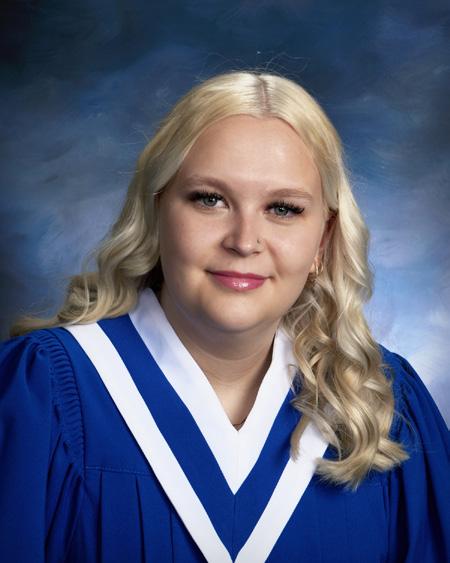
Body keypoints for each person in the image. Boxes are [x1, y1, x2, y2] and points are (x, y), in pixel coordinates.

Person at [0, 70, 449, 563]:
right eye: (209, 200)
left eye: (283, 208)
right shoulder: (44, 390)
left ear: (323, 240)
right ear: (156, 214)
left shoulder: (382, 405)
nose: (244, 240)